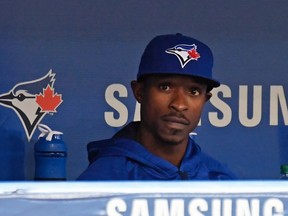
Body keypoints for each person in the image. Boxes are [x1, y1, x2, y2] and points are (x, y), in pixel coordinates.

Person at [77, 33, 236, 180]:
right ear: (139, 92)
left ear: (205, 99)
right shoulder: (104, 180)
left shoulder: (220, 180)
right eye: (165, 87)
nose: (179, 104)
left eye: (193, 91)